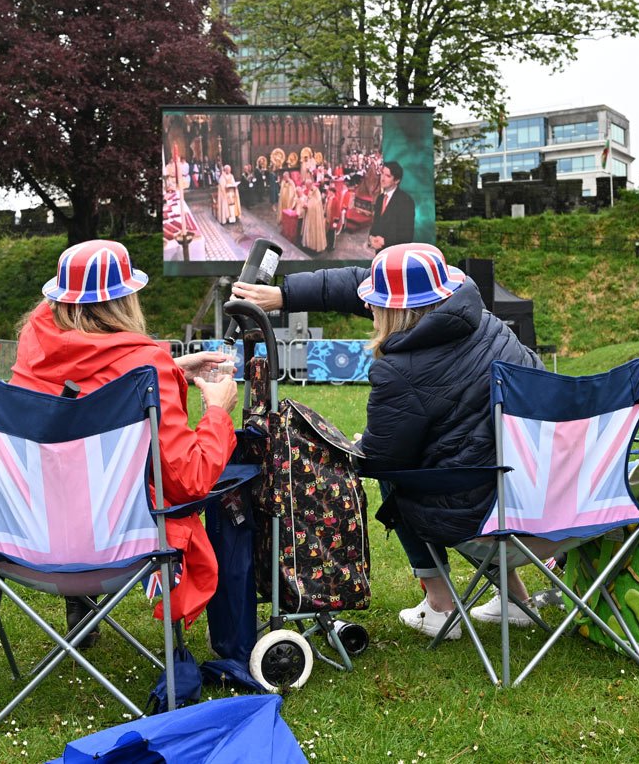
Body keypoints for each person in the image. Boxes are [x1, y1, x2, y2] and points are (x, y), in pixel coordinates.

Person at [232, 243, 554, 640]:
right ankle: (515, 600)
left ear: (393, 311)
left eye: (376, 302)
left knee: (396, 479)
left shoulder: (400, 372)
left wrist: (363, 446)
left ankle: (440, 604)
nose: (367, 306)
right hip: (549, 499)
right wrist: (286, 294)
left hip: (484, 514)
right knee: (484, 464)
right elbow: (359, 283)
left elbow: (382, 459)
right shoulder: (485, 322)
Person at [10, 239, 237, 628]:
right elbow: (189, 480)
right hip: (119, 544)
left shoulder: (33, 352)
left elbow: (88, 385)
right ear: (125, 301)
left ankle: (81, 602)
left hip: (25, 542)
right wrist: (217, 410)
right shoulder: (145, 365)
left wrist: (171, 366)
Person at [368, 161, 415, 252]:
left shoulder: (406, 201)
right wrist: (371, 237)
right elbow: (375, 225)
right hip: (379, 256)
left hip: (396, 256)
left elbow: (407, 236)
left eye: (388, 176)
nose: (382, 178)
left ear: (397, 180)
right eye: (382, 174)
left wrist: (385, 241)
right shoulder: (380, 198)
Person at [301, 183, 327, 252]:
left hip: (315, 216)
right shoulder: (310, 191)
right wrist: (306, 204)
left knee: (314, 230)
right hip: (309, 215)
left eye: (308, 186)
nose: (307, 188)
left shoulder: (316, 192)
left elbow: (317, 202)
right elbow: (308, 199)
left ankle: (314, 246)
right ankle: (308, 244)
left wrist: (309, 206)